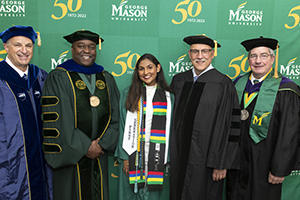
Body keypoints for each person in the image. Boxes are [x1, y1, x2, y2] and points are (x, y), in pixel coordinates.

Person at [41, 30, 120, 200]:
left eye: (91, 47)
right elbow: (58, 120)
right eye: (81, 46)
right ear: (72, 48)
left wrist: (102, 144)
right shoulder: (59, 77)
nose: (87, 51)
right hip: (71, 156)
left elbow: (116, 117)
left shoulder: (106, 78)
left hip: (99, 154)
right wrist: (85, 146)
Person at [226, 37, 300, 200]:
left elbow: (289, 132)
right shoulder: (237, 84)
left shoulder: (286, 89)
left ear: (272, 58)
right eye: (253, 56)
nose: (258, 61)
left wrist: (279, 168)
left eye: (264, 56)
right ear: (248, 59)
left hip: (266, 164)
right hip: (236, 162)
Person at [170, 35, 241, 200]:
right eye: (195, 51)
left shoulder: (223, 84)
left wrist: (222, 163)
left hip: (209, 161)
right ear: (189, 54)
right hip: (180, 157)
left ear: (212, 54)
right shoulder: (179, 80)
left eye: (204, 51)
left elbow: (231, 126)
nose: (199, 56)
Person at [0, 25, 52, 200]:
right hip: (9, 164)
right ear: (6, 47)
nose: (24, 51)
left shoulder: (40, 77)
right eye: (17, 45)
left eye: (28, 45)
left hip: (41, 161)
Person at [114, 53, 173, 200]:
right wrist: (125, 157)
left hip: (157, 154)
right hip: (133, 152)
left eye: (150, 67)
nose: (146, 72)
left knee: (154, 194)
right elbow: (122, 124)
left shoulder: (168, 96)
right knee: (131, 194)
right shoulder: (129, 93)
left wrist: (167, 157)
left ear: (158, 68)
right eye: (141, 69)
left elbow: (171, 130)